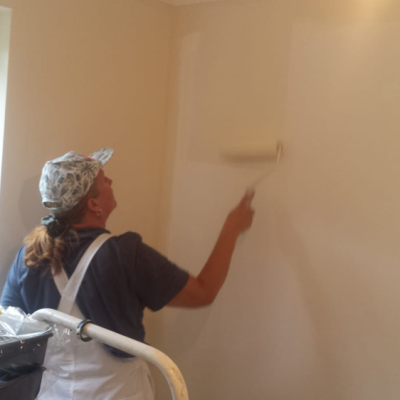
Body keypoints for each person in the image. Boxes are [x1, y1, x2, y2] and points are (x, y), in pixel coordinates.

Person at [0, 147, 255, 399]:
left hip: (53, 394)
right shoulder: (124, 254)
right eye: (104, 180)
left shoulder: (29, 255)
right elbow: (203, 292)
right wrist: (231, 229)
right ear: (94, 204)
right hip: (118, 393)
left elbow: (8, 325)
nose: (111, 181)